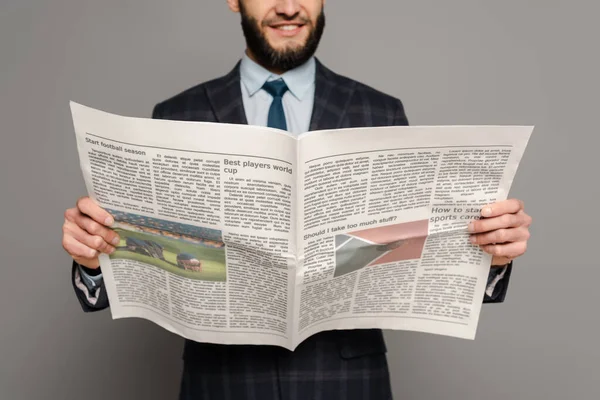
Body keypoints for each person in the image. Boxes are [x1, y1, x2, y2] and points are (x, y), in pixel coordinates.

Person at [62, 1, 533, 398]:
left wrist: (488, 255)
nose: (289, 6)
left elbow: (406, 255)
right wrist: (93, 258)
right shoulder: (175, 115)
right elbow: (153, 259)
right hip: (222, 381)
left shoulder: (380, 111)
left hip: (347, 380)